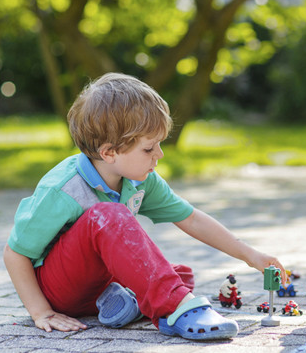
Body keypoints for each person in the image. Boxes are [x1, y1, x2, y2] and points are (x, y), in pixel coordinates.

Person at [3, 73, 286, 340]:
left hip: (99, 285)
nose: (159, 155)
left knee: (180, 274)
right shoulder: (62, 189)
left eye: (160, 145)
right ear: (109, 152)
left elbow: (191, 219)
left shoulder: (140, 179)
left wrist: (250, 255)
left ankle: (123, 304)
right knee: (110, 217)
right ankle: (176, 310)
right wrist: (41, 312)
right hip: (59, 290)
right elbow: (15, 253)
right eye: (149, 149)